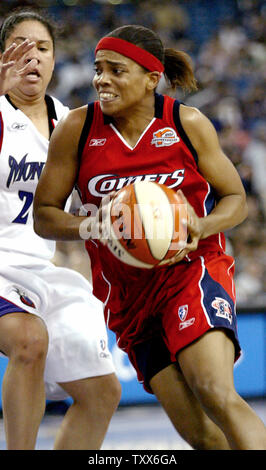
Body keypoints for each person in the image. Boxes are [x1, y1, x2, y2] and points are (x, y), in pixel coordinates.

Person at [34, 24, 266, 450]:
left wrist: (202, 225)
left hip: (191, 270)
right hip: (127, 296)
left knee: (214, 390)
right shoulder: (78, 129)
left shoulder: (186, 122)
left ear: (151, 78)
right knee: (197, 433)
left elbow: (235, 198)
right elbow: (44, 216)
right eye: (98, 69)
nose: (101, 80)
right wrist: (90, 225)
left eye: (116, 70)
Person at [0, 8, 121, 450]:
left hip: (39, 269)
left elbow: (86, 209)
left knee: (103, 392)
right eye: (21, 47)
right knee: (30, 340)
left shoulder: (71, 123)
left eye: (43, 48)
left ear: (55, 61)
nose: (32, 58)